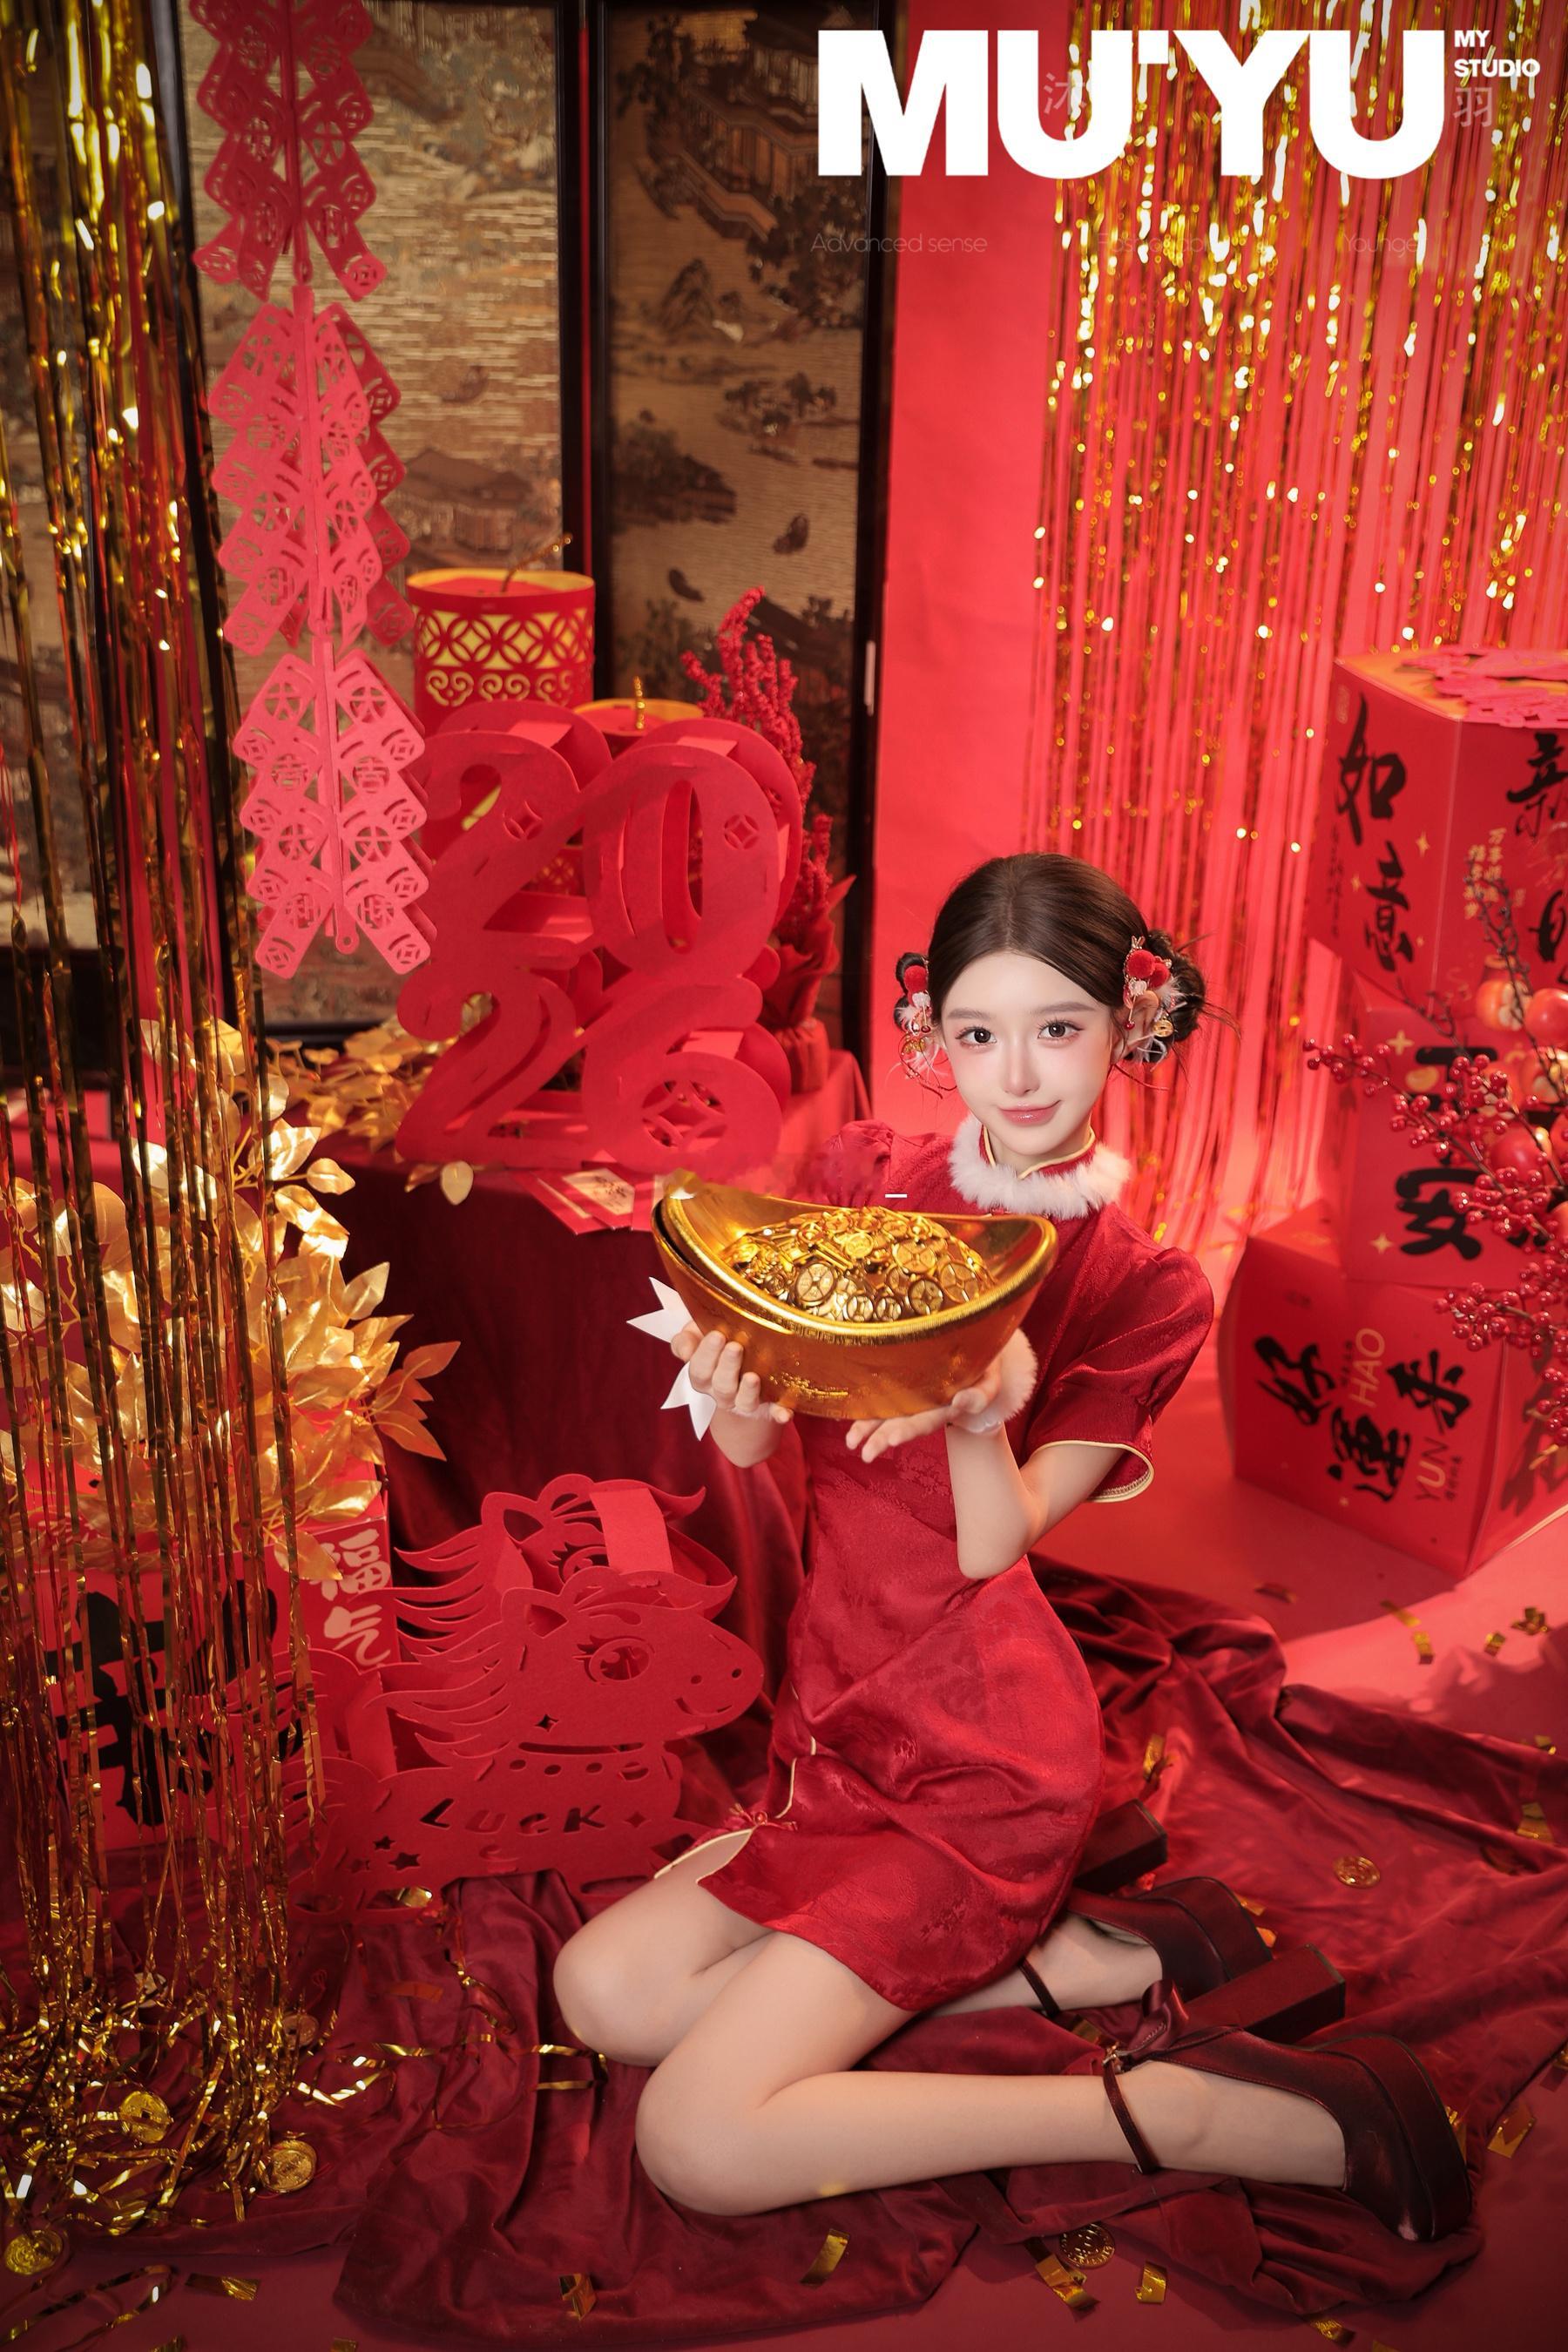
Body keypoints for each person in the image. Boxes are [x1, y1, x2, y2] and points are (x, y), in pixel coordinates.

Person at [552, 852, 1470, 2244]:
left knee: (696, 2140)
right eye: (980, 1034)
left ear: (1130, 1022)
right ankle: (1076, 1966)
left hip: (981, 1764)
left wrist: (976, 1403)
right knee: (601, 1996)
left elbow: (997, 1542)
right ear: (935, 1035)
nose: (1021, 1074)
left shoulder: (1145, 1285)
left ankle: (1197, 2112)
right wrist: (736, 1384)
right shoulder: (869, 1177)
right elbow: (759, 1448)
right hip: (841, 1724)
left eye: (1060, 1028)